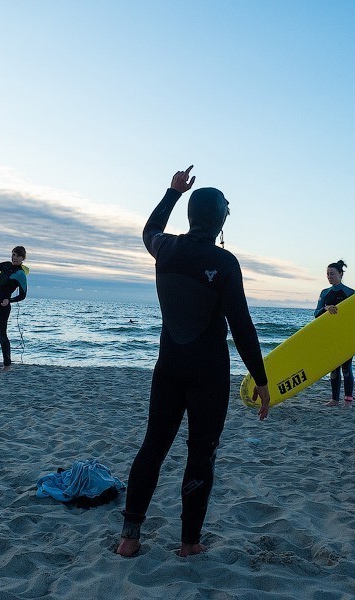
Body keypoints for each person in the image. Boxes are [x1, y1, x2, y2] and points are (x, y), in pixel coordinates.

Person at [117, 166, 271, 558]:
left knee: (153, 447)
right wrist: (261, 379)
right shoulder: (224, 262)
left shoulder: (165, 249)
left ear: (190, 214)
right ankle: (189, 544)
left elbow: (149, 229)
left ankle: (129, 538)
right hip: (209, 373)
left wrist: (172, 192)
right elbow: (241, 325)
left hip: (168, 367)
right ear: (221, 220)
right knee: (201, 453)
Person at [313, 260, 355, 406]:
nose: (329, 276)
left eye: (332, 273)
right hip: (330, 335)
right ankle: (334, 399)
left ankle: (348, 400)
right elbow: (316, 313)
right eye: (327, 274)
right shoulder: (325, 293)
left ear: (340, 274)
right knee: (333, 367)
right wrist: (325, 309)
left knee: (346, 368)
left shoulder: (350, 292)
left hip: (346, 336)